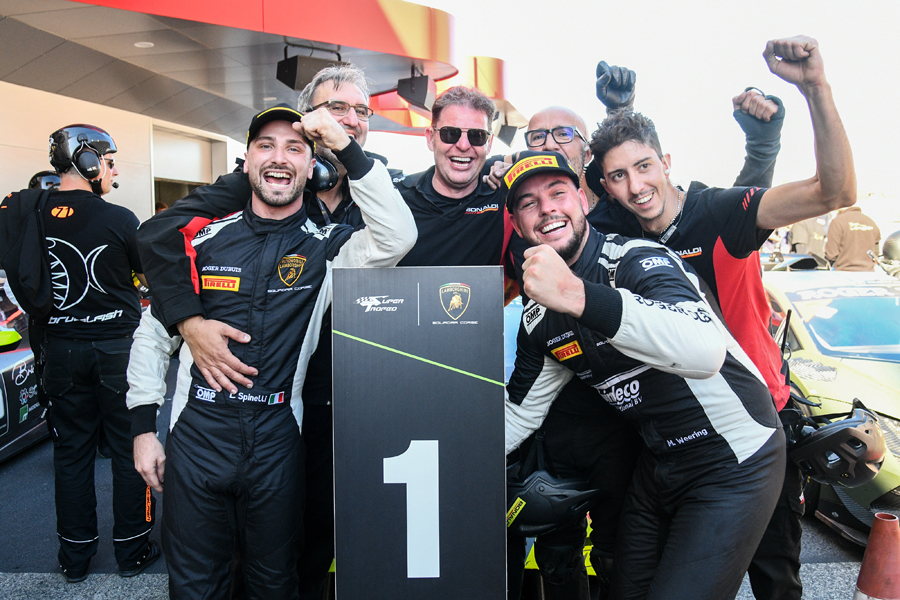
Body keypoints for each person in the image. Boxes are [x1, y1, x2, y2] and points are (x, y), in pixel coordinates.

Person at [497, 71, 784, 599]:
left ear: (584, 201)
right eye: (529, 204)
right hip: (659, 463)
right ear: (518, 225)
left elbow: (703, 351)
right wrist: (445, 457)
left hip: (734, 457)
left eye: (558, 193)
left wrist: (578, 296)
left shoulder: (637, 257)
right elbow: (519, 414)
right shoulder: (540, 317)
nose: (547, 209)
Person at [590, 36, 857, 600]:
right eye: (618, 177)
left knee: (774, 582)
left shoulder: (719, 212)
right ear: (607, 186)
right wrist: (617, 111)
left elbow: (834, 192)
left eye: (645, 167)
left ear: (667, 162)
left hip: (755, 429)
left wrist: (815, 88)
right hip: (671, 437)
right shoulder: (618, 229)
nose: (636, 187)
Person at [128, 64, 399, 600]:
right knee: (195, 586)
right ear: (247, 159)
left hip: (280, 435)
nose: (279, 157)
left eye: (295, 148)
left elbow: (397, 236)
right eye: (266, 146)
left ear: (312, 165)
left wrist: (344, 145)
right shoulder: (202, 238)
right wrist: (141, 428)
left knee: (274, 583)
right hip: (198, 434)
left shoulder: (329, 245)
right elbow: (152, 334)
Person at [0, 125, 158, 583]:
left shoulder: (28, 214)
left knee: (70, 454)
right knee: (131, 449)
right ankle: (132, 550)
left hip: (59, 352)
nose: (113, 170)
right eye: (109, 161)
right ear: (88, 161)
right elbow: (149, 275)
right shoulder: (120, 218)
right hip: (118, 354)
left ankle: (74, 557)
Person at [825, 206, 881, 270]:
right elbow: (875, 253)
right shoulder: (870, 222)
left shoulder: (838, 221)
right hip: (868, 272)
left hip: (844, 271)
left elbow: (831, 254)